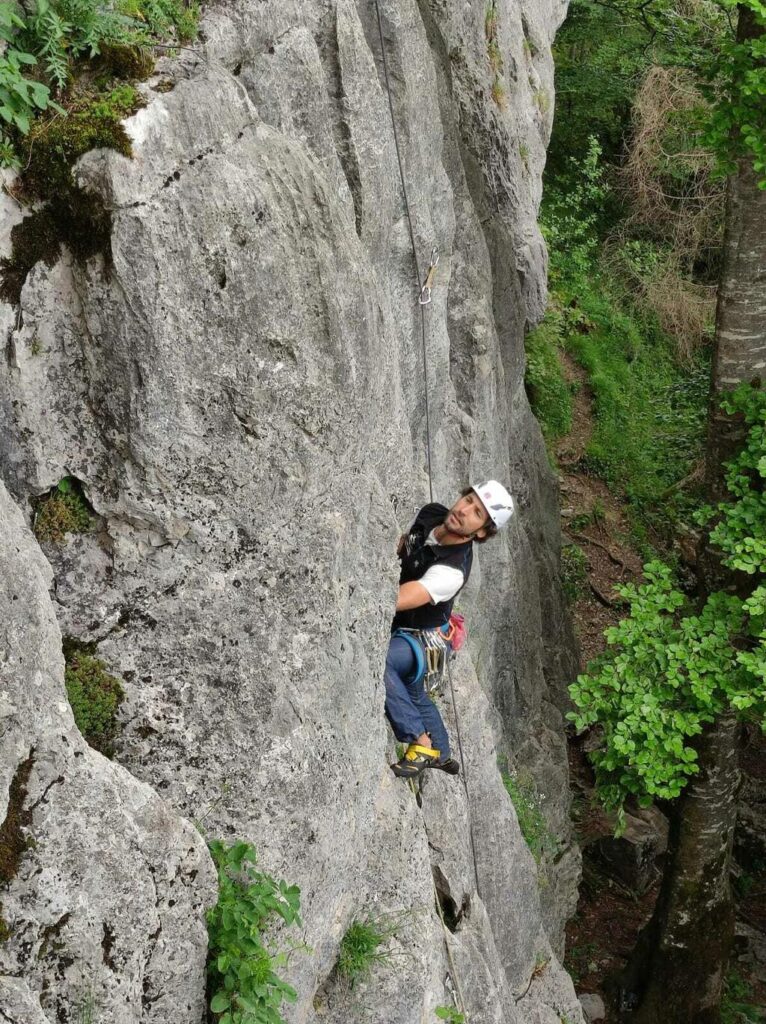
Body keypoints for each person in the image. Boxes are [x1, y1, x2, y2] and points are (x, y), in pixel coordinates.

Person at [386, 480, 514, 779]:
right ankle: (442, 753)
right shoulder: (432, 514)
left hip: (421, 637)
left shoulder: (452, 570)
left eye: (477, 513)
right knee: (414, 692)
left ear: (481, 531)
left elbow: (398, 600)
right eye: (468, 499)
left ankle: (421, 742)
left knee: (386, 662)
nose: (464, 510)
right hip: (419, 630)